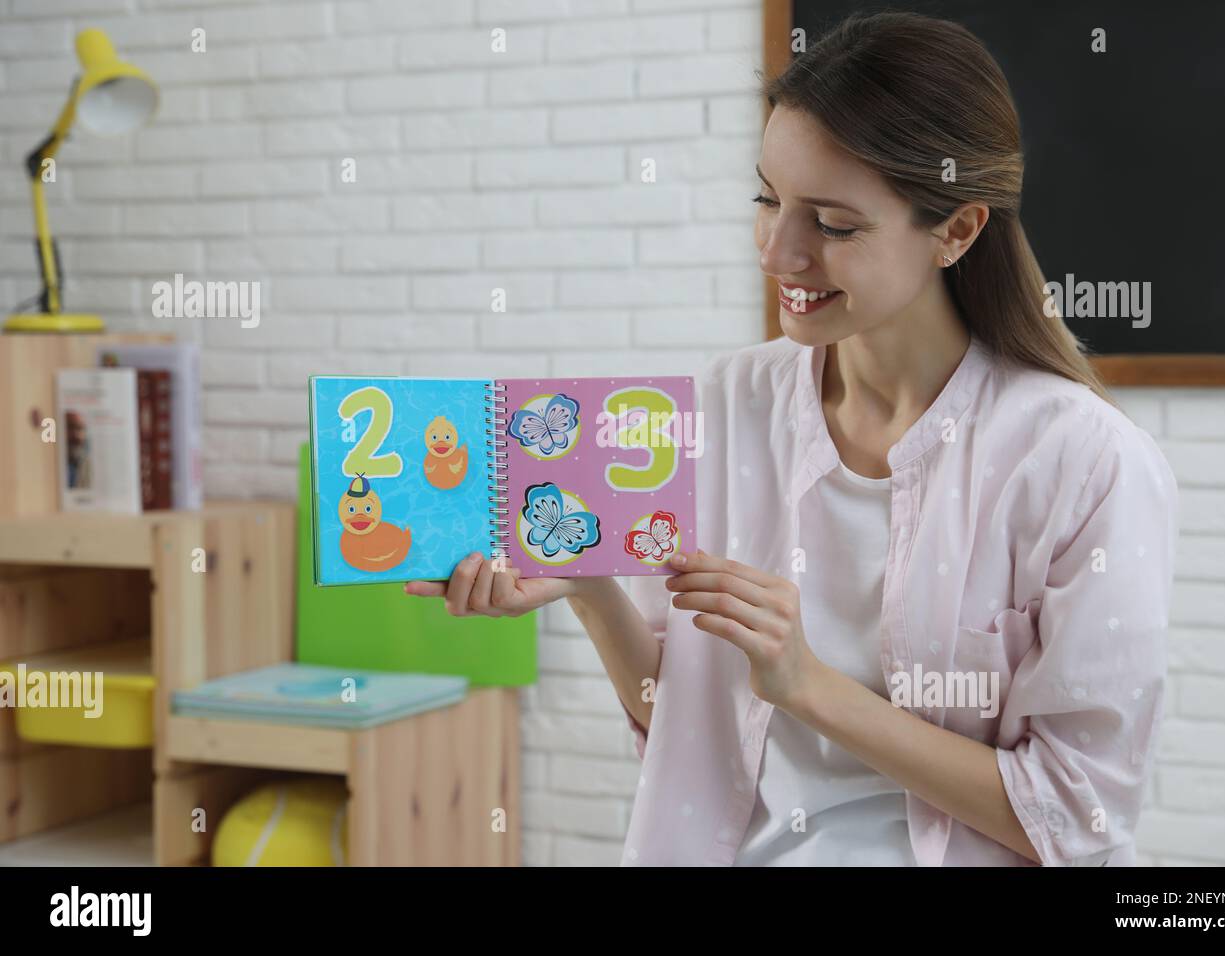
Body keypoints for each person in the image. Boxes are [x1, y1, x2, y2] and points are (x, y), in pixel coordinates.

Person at [406, 10, 1178, 867]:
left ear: (956, 231)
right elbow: (683, 726)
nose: (778, 253)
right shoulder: (724, 404)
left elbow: (1076, 816)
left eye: (833, 225)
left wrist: (808, 685)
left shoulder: (1085, 464)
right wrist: (591, 587)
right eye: (767, 199)